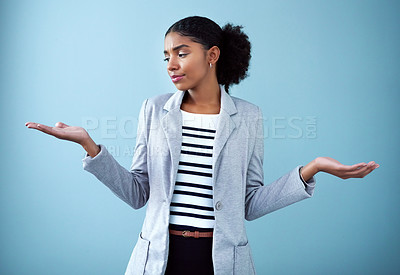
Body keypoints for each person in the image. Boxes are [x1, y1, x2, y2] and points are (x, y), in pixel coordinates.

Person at [25, 16, 379, 275]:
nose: (171, 65)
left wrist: (311, 168)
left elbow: (250, 204)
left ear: (212, 55)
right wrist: (90, 146)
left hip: (222, 260)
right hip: (159, 257)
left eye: (181, 53)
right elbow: (137, 193)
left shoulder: (249, 116)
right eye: (167, 56)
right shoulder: (154, 109)